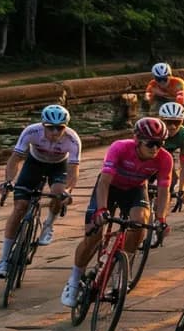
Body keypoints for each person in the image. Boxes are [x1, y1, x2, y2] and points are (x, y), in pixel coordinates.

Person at [63, 118, 172, 307]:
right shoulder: (120, 148)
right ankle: (73, 281)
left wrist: (161, 218)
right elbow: (104, 182)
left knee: (140, 222)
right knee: (93, 236)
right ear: (137, 140)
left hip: (135, 189)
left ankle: (121, 270)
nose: (156, 149)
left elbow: (164, 192)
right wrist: (102, 210)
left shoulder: (164, 158)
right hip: (110, 187)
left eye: (160, 144)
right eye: (151, 143)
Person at [0, 105, 80, 277]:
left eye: (60, 128)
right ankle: (3, 260)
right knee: (20, 207)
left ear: (66, 126)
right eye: (51, 128)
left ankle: (49, 224)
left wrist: (68, 190)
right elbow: (15, 159)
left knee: (58, 192)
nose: (55, 132)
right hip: (35, 163)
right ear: (43, 125)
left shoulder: (72, 139)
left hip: (59, 166)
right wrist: (8, 182)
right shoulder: (31, 132)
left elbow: (73, 170)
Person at [158, 102, 184, 209]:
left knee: (172, 179)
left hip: (166, 159)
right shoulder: (154, 130)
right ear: (161, 121)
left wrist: (182, 189)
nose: (173, 126)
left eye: (177, 122)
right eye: (169, 122)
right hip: (149, 158)